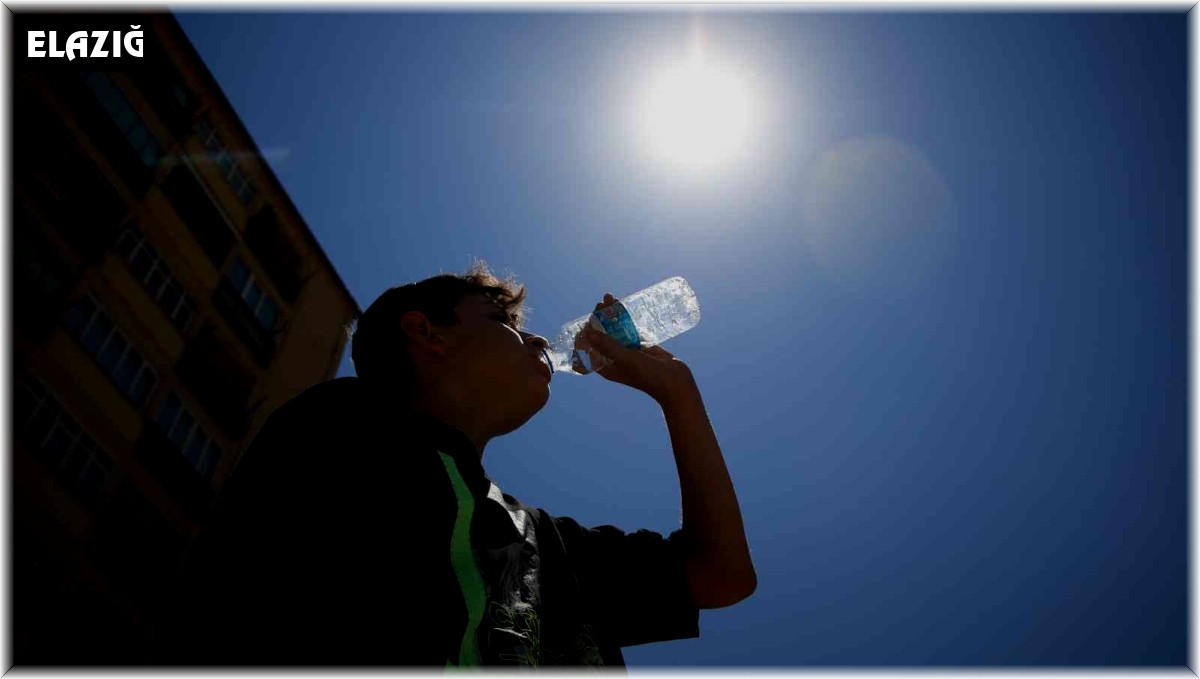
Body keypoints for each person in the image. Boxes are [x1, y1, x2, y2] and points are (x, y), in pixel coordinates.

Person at [158, 261, 755, 667]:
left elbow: (720, 574)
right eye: (504, 325)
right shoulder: (343, 431)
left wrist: (677, 391)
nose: (541, 343)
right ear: (425, 334)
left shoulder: (541, 545)